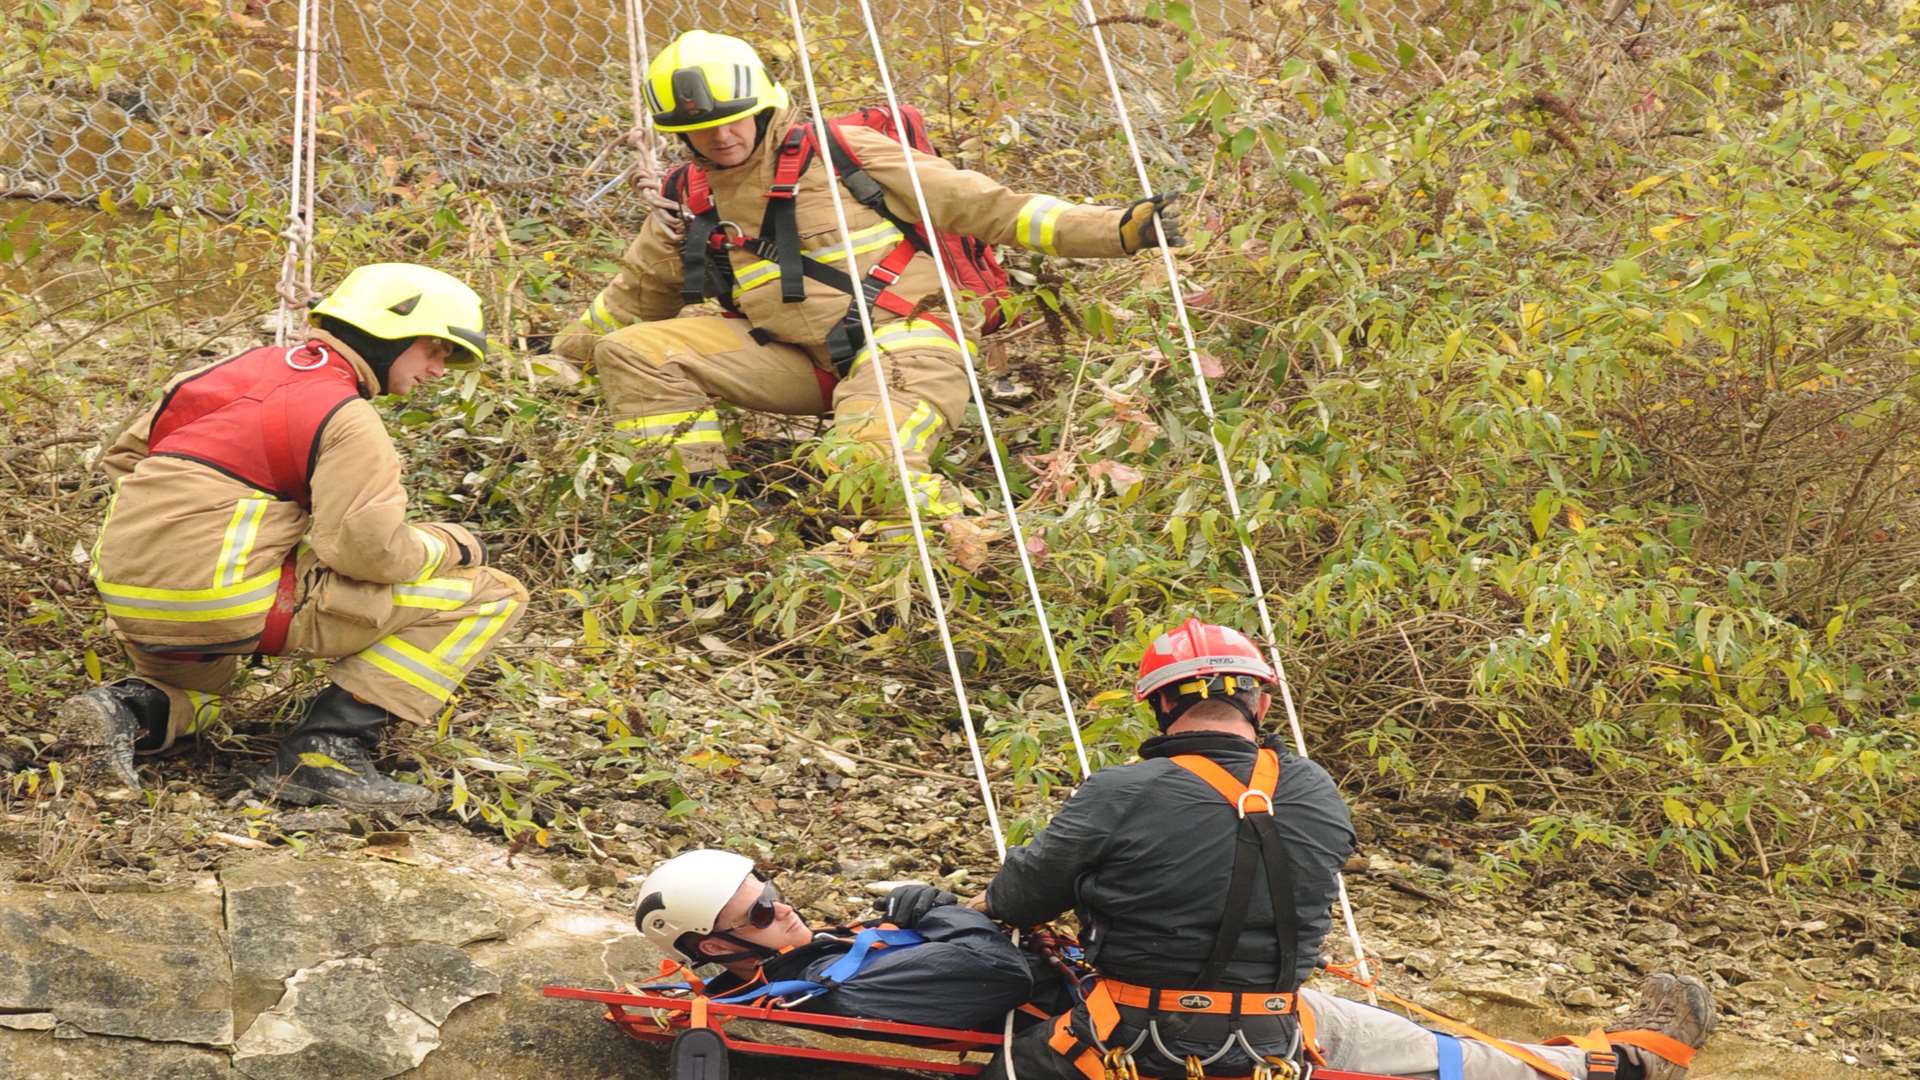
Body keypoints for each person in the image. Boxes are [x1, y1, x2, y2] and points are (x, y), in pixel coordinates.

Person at [973, 617, 1718, 1080]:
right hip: (1276, 1030)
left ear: (1161, 704)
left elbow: (1016, 900)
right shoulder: (1314, 788)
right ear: (1260, 702)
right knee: (1451, 1052)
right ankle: (1618, 1062)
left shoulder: (1121, 790)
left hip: (1128, 1035)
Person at [552, 30, 1183, 522]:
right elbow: (634, 296)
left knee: (864, 464)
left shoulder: (843, 151)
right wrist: (556, 361)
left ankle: (966, 544)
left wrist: (1121, 229)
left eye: (731, 119)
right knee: (630, 352)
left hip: (907, 339)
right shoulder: (686, 194)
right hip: (794, 359)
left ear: (765, 104)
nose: (719, 137)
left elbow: (995, 209)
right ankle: (702, 510)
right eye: (697, 129)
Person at [62, 263, 528, 814]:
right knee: (492, 593)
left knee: (206, 701)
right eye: (435, 350)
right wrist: (449, 545)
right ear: (391, 333)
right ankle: (328, 752)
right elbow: (363, 550)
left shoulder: (223, 372)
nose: (438, 370)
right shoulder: (345, 414)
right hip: (226, 600)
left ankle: (127, 710)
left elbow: (126, 460)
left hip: (131, 595)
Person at [632, 848, 1064, 1030]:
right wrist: (942, 914)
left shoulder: (823, 954)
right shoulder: (829, 984)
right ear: (717, 946)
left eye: (772, 896)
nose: (784, 910)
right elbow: (1001, 972)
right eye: (761, 913)